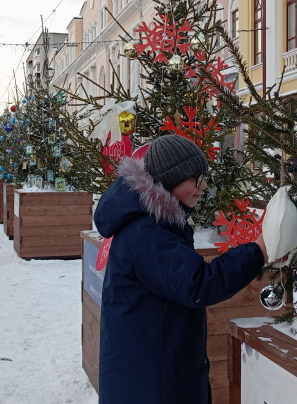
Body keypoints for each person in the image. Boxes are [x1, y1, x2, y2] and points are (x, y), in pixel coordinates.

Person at [93, 135, 278, 404]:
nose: (203, 186)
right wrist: (259, 250)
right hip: (152, 383)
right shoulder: (148, 231)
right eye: (195, 179)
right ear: (170, 180)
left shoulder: (153, 221)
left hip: (151, 372)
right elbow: (200, 284)